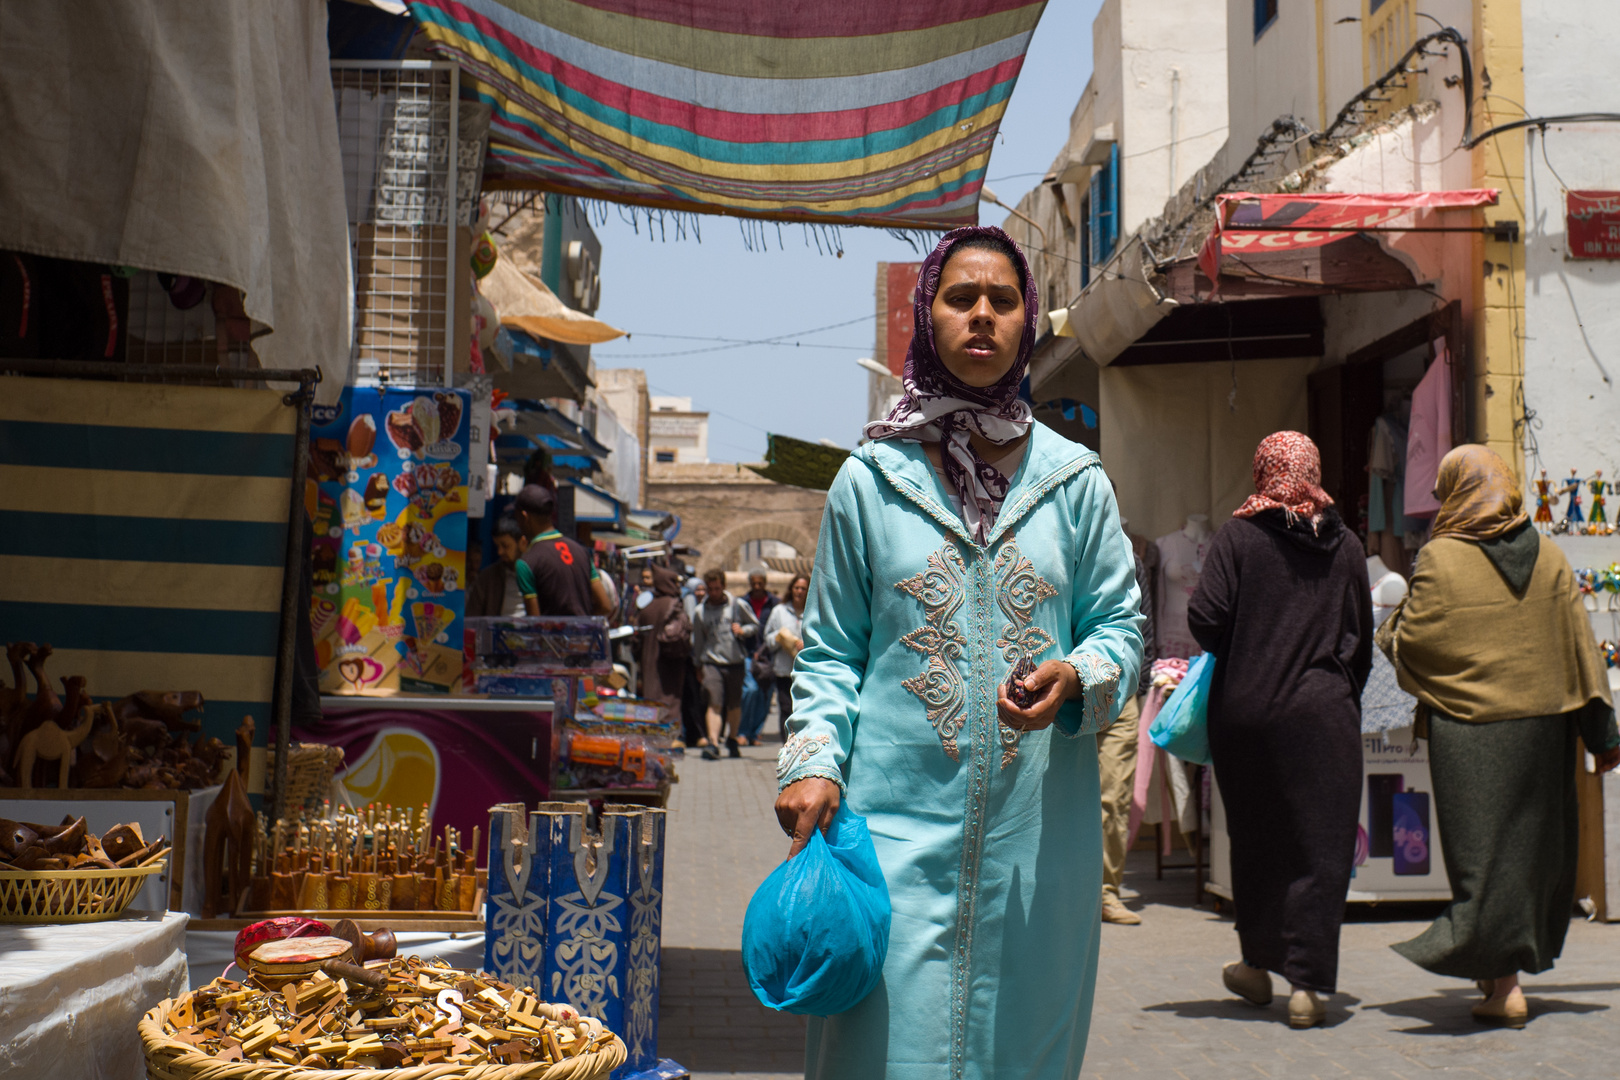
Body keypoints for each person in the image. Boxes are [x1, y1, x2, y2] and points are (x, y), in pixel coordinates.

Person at [774, 226, 1142, 1080]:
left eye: (1003, 301)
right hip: (888, 841)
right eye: (960, 298)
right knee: (880, 1050)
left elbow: (1122, 626)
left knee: (1023, 1050)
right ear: (926, 314)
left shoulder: (1075, 481)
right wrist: (811, 759)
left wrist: (1078, 673)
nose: (982, 315)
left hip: (1036, 851)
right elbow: (830, 651)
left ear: (1027, 324)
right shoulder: (871, 479)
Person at [1377, 445, 1620, 1028]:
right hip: (1544, 730)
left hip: (1469, 732)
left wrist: (1388, 632)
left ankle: (1504, 985)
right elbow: (1581, 651)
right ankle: (1497, 972)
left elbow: (1416, 641)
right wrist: (1602, 734)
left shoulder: (1440, 558)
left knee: (1481, 860)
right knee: (1526, 856)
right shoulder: (1553, 558)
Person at [1186, 431, 1373, 1029]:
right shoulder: (1345, 547)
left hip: (1248, 716)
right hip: (1325, 716)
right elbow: (1361, 642)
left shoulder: (1239, 537)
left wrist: (1248, 649)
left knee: (1259, 841)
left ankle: (1256, 966)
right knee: (1320, 848)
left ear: (1262, 470)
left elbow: (1205, 618)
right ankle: (1309, 988)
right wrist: (1335, 690)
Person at [1097, 544, 1154, 925]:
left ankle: (1105, 891)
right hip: (1063, 695)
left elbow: (1143, 622)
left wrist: (1143, 679)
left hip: (1120, 695)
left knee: (1115, 794)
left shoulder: (1131, 560)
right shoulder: (1057, 548)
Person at [511, 484, 612, 617]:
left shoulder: (526, 563)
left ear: (524, 517)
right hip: (585, 637)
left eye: (516, 518)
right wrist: (583, 624)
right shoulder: (582, 552)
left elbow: (534, 624)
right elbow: (605, 605)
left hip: (550, 638)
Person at [692, 568, 758, 760]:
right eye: (710, 589)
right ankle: (713, 742)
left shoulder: (737, 605)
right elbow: (698, 641)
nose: (713, 593)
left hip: (734, 661)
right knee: (714, 702)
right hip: (712, 662)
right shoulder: (700, 611)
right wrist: (698, 665)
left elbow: (754, 626)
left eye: (717, 588)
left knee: (734, 704)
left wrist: (742, 630)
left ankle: (732, 738)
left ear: (723, 586)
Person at [760, 573, 809, 742]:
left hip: (806, 671)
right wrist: (780, 638)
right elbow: (767, 637)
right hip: (784, 670)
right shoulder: (779, 611)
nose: (800, 592)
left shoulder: (814, 612)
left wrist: (807, 643)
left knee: (803, 709)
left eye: (803, 588)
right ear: (791, 589)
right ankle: (786, 745)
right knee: (786, 708)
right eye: (797, 588)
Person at [636, 564, 690, 712]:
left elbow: (636, 638)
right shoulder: (674, 605)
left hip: (648, 661)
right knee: (669, 704)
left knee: (651, 704)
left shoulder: (647, 606)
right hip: (670, 663)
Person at [738, 569, 780, 746]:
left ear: (765, 583)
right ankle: (742, 731)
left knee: (766, 693)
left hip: (768, 655)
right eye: (753, 583)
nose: (757, 587)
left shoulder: (775, 604)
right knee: (750, 690)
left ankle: (756, 733)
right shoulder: (742, 603)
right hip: (747, 653)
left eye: (760, 583)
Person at [465, 516, 529, 617]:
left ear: (522, 543)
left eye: (505, 546)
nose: (500, 552)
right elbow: (472, 616)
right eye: (497, 546)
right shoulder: (487, 578)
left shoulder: (536, 572)